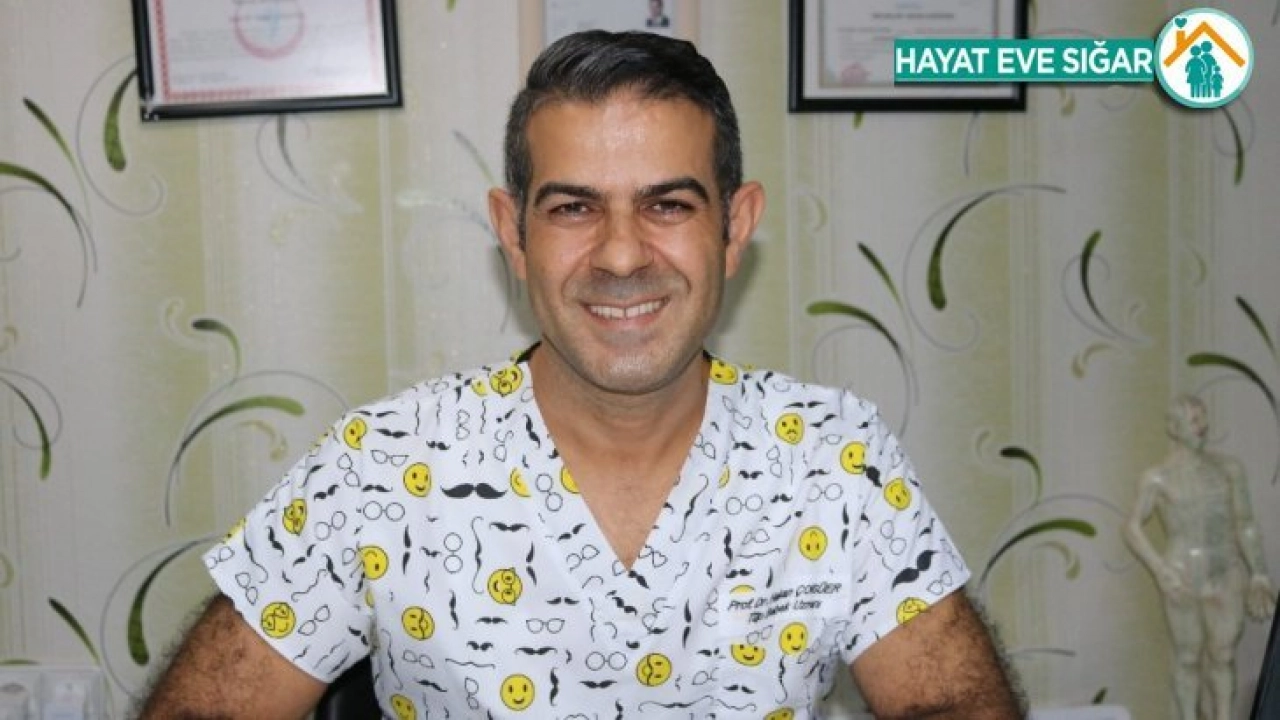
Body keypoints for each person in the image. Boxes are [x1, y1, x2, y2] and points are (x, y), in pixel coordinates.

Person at [139, 30, 1022, 719]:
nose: (622, 255)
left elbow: (956, 704)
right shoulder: (382, 465)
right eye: (573, 208)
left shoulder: (833, 457)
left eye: (668, 204)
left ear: (735, 226)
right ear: (513, 233)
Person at [1125, 394, 1276, 720]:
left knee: (1223, 655)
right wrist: (1160, 569)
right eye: (1194, 420)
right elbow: (1132, 527)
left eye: (1203, 417)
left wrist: (1259, 572)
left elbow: (1244, 522)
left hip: (1226, 570)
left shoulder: (1229, 469)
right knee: (1187, 657)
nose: (1202, 426)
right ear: (1174, 427)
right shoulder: (1157, 477)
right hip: (1182, 574)